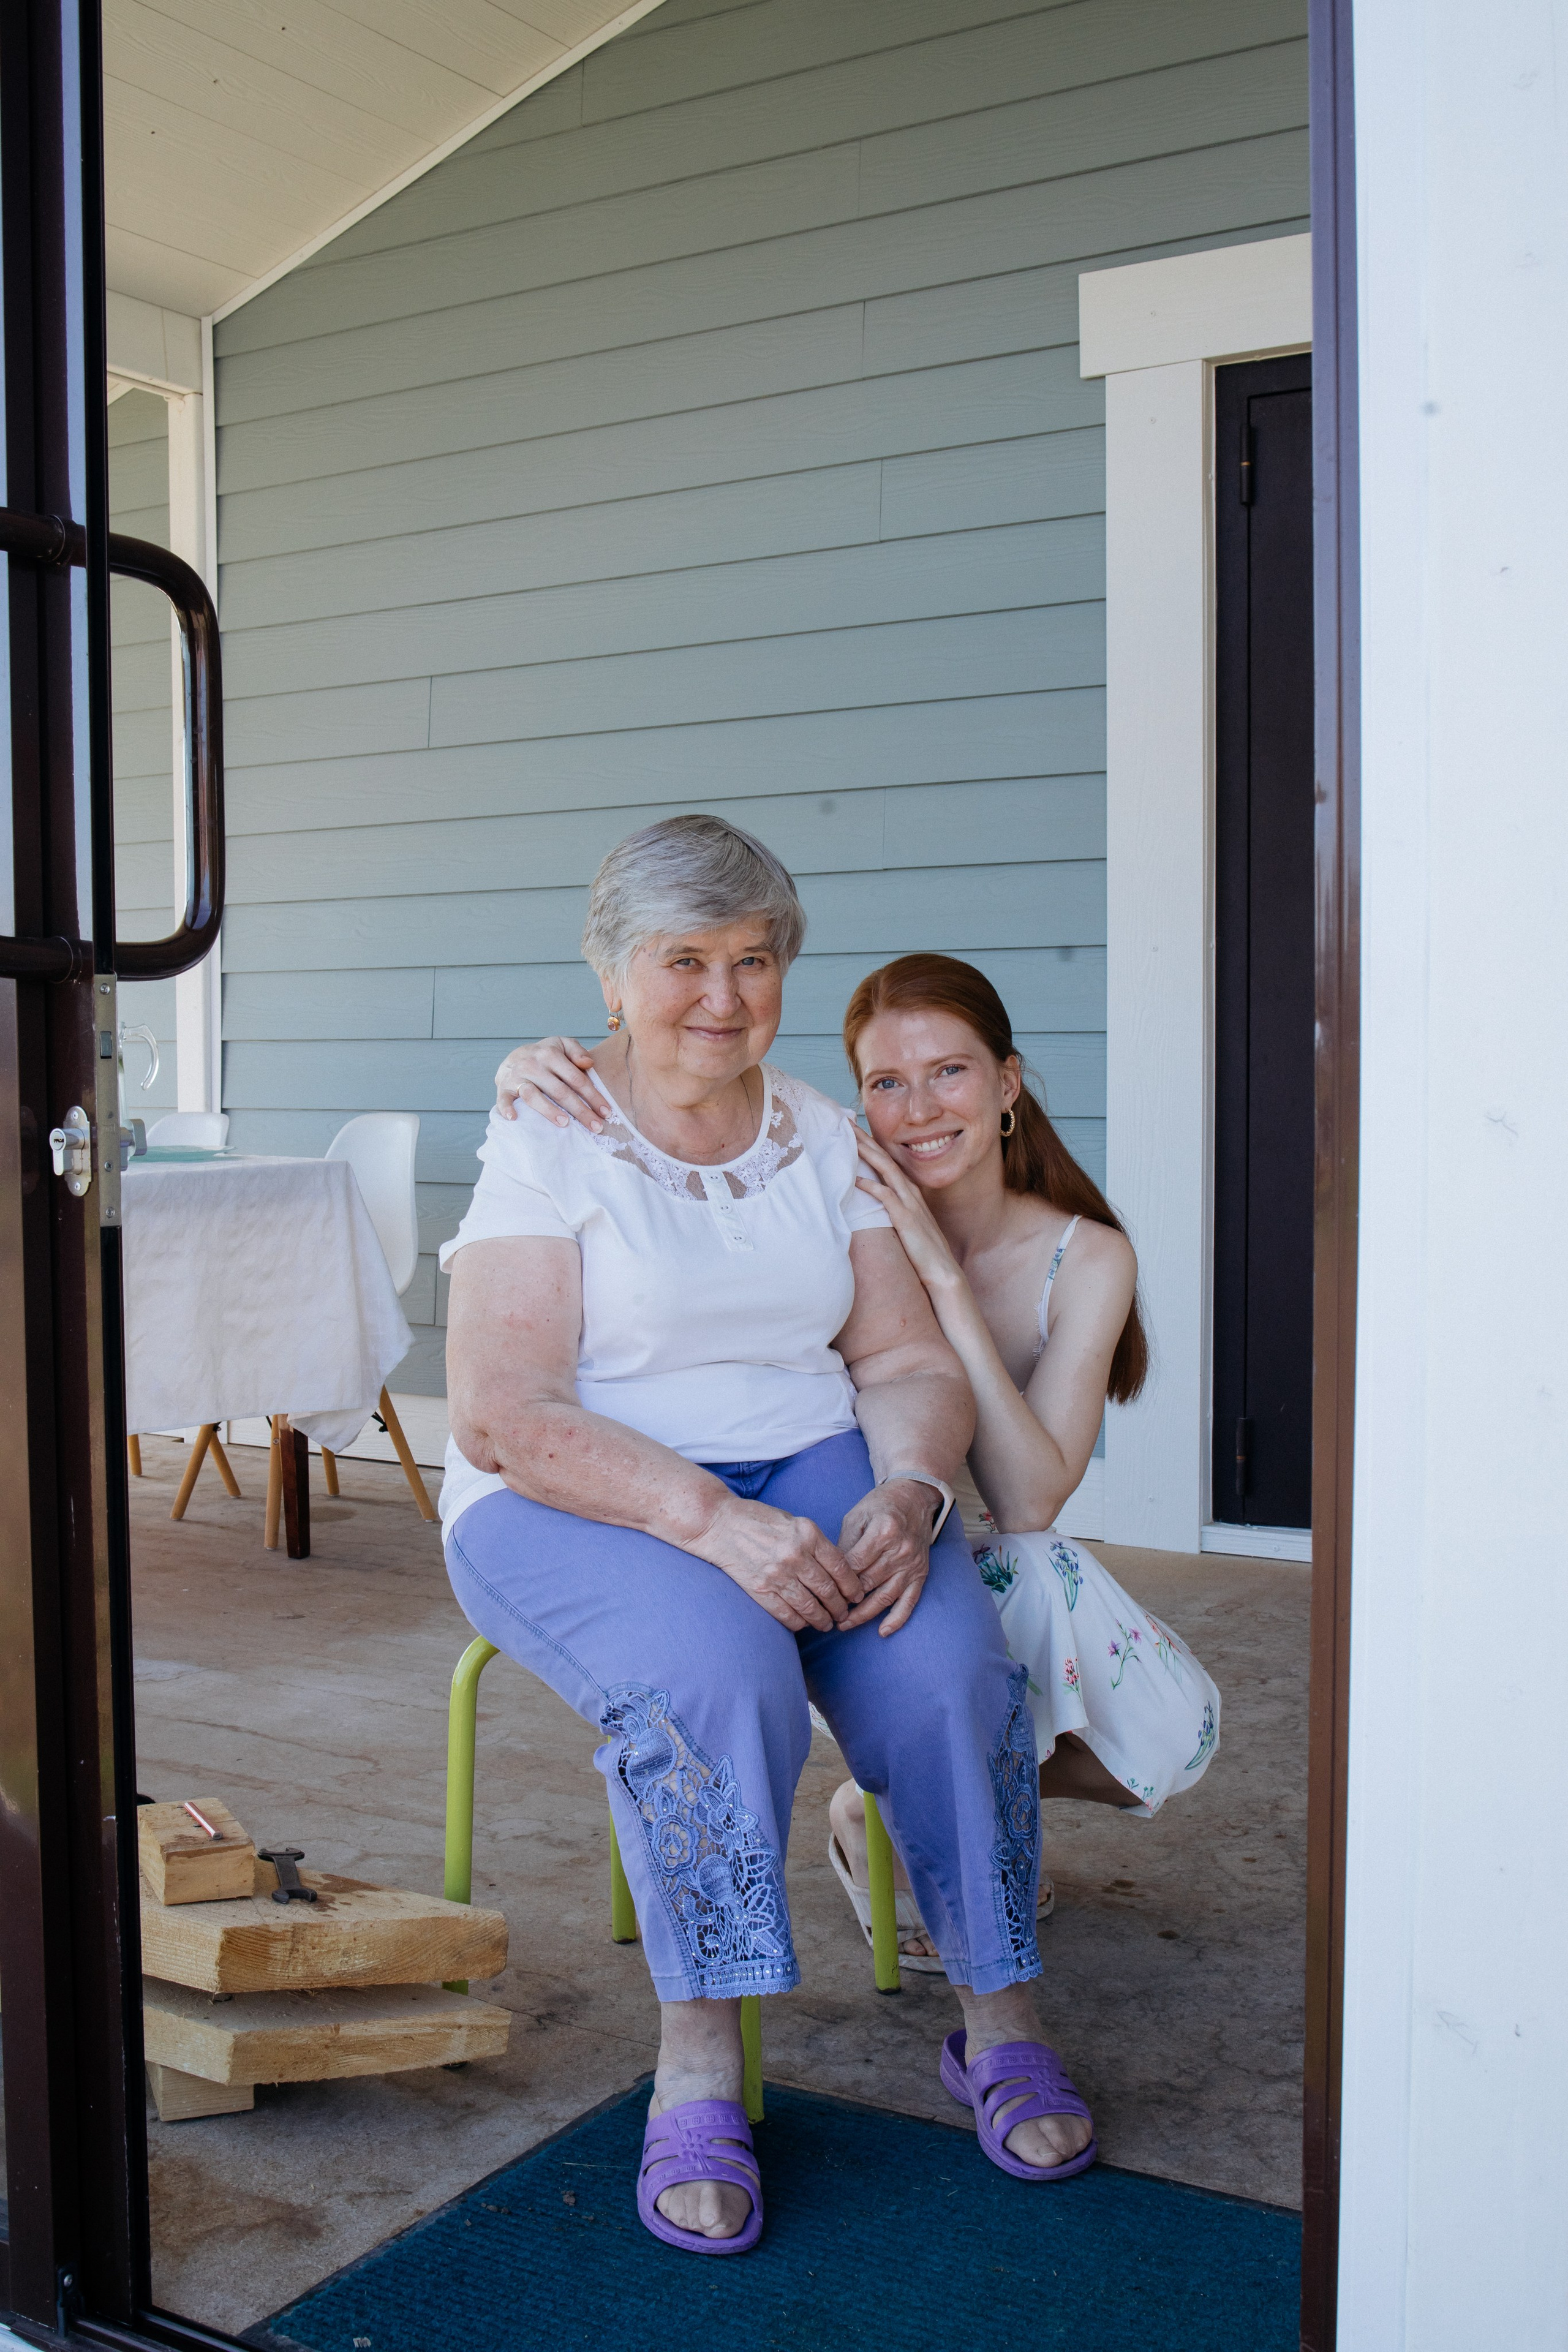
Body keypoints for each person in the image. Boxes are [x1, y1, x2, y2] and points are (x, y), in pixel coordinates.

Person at [450, 820, 1096, 2264]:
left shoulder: (818, 1134)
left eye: (753, 960)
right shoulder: (545, 1129)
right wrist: (707, 1519)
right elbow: (504, 1409)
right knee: (715, 1676)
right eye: (684, 962)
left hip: (812, 1461)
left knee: (947, 1671)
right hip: (579, 1493)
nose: (723, 998)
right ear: (610, 977)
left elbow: (902, 1362)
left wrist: (915, 1489)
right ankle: (697, 2058)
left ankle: (995, 2015)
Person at [495, 951, 1220, 1981]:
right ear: (856, 1099)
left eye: (951, 1074)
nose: (918, 1109)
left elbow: (1026, 1498)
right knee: (766, 1664)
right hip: (830, 1529)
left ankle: (889, 1801)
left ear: (1007, 1083)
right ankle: (902, 1807)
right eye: (886, 1082)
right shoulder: (827, 1176)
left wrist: (941, 1279)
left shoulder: (1084, 1255)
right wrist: (527, 1067)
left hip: (975, 1540)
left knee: (1169, 1731)